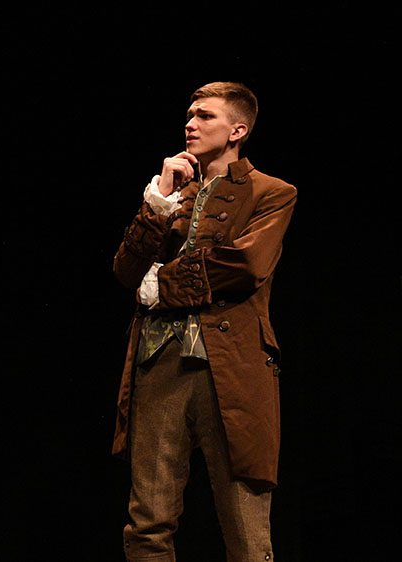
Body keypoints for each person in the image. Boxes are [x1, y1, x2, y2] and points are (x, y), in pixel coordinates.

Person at [110, 82, 296, 561]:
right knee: (148, 523)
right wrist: (158, 199)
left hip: (228, 370)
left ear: (238, 130)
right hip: (159, 364)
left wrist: (163, 285)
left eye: (204, 116)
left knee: (244, 525)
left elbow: (247, 264)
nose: (190, 124)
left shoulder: (271, 193)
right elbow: (126, 272)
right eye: (190, 115)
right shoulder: (172, 194)